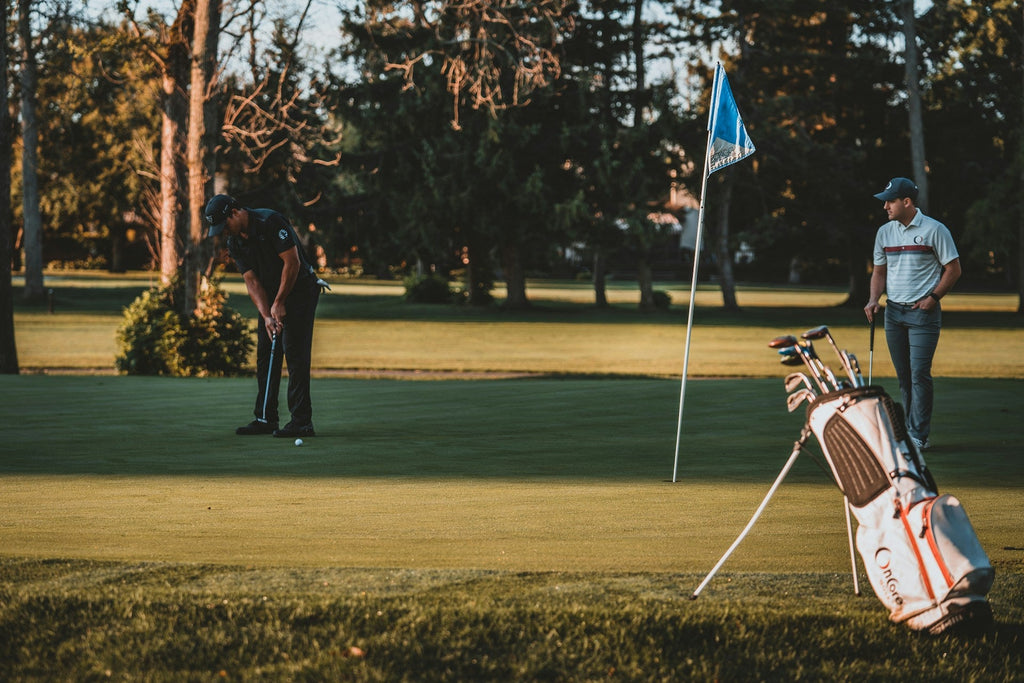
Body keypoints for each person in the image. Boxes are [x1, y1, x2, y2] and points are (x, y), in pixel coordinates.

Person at [205, 193, 324, 438]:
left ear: (234, 212)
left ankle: (301, 422)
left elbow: (292, 263)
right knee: (266, 353)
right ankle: (265, 418)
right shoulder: (235, 242)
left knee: (294, 352)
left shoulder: (270, 222)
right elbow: (251, 280)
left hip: (300, 291)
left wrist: (279, 302)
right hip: (271, 296)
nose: (224, 232)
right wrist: (267, 314)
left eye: (225, 225)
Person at [864, 177, 961, 450]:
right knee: (904, 377)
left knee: (919, 375)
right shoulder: (884, 232)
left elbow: (953, 269)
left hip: (923, 314)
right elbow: (879, 272)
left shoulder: (935, 230)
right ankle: (907, 432)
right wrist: (873, 300)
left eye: (890, 201)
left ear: (906, 202)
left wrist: (933, 298)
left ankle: (918, 435)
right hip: (893, 313)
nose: (885, 207)